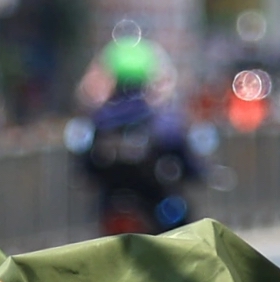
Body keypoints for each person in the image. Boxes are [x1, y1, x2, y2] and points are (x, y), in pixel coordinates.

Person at [76, 36, 200, 235]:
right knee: (182, 232)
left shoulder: (99, 119)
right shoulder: (160, 118)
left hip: (113, 202)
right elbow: (182, 153)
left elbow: (83, 163)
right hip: (151, 202)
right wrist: (198, 171)